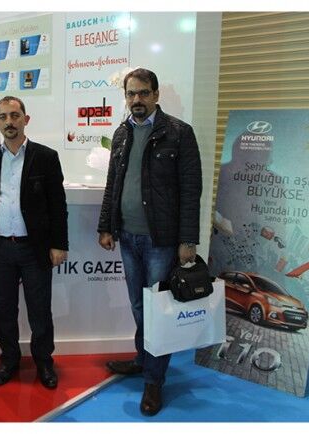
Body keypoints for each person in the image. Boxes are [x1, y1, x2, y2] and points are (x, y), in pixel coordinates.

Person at [97, 68, 202, 416]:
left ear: (156, 95)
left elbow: (191, 190)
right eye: (131, 94)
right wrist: (106, 226)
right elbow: (113, 184)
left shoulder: (179, 133)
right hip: (127, 237)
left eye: (143, 93)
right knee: (139, 307)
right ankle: (143, 360)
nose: (137, 100)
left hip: (161, 241)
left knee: (158, 312)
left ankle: (154, 381)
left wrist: (188, 239)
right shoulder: (122, 132)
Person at [0, 96, 68, 389]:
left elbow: (57, 205)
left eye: (14, 115)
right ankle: (9, 360)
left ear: (26, 119)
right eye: (3, 117)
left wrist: (59, 244)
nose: (9, 122)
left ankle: (44, 362)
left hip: (34, 249)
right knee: (4, 310)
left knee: (40, 310)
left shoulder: (46, 157)